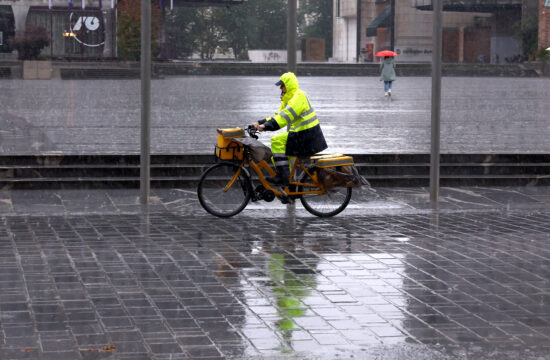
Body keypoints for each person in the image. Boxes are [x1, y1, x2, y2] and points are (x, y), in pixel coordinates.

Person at [251, 72, 327, 187]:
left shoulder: (298, 96)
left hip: (307, 135)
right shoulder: (289, 99)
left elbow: (285, 117)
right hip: (302, 134)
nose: (281, 88)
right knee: (284, 155)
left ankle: (284, 178)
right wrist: (260, 122)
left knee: (277, 141)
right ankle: (290, 183)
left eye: (282, 85)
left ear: (289, 85)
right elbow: (278, 115)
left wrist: (266, 127)